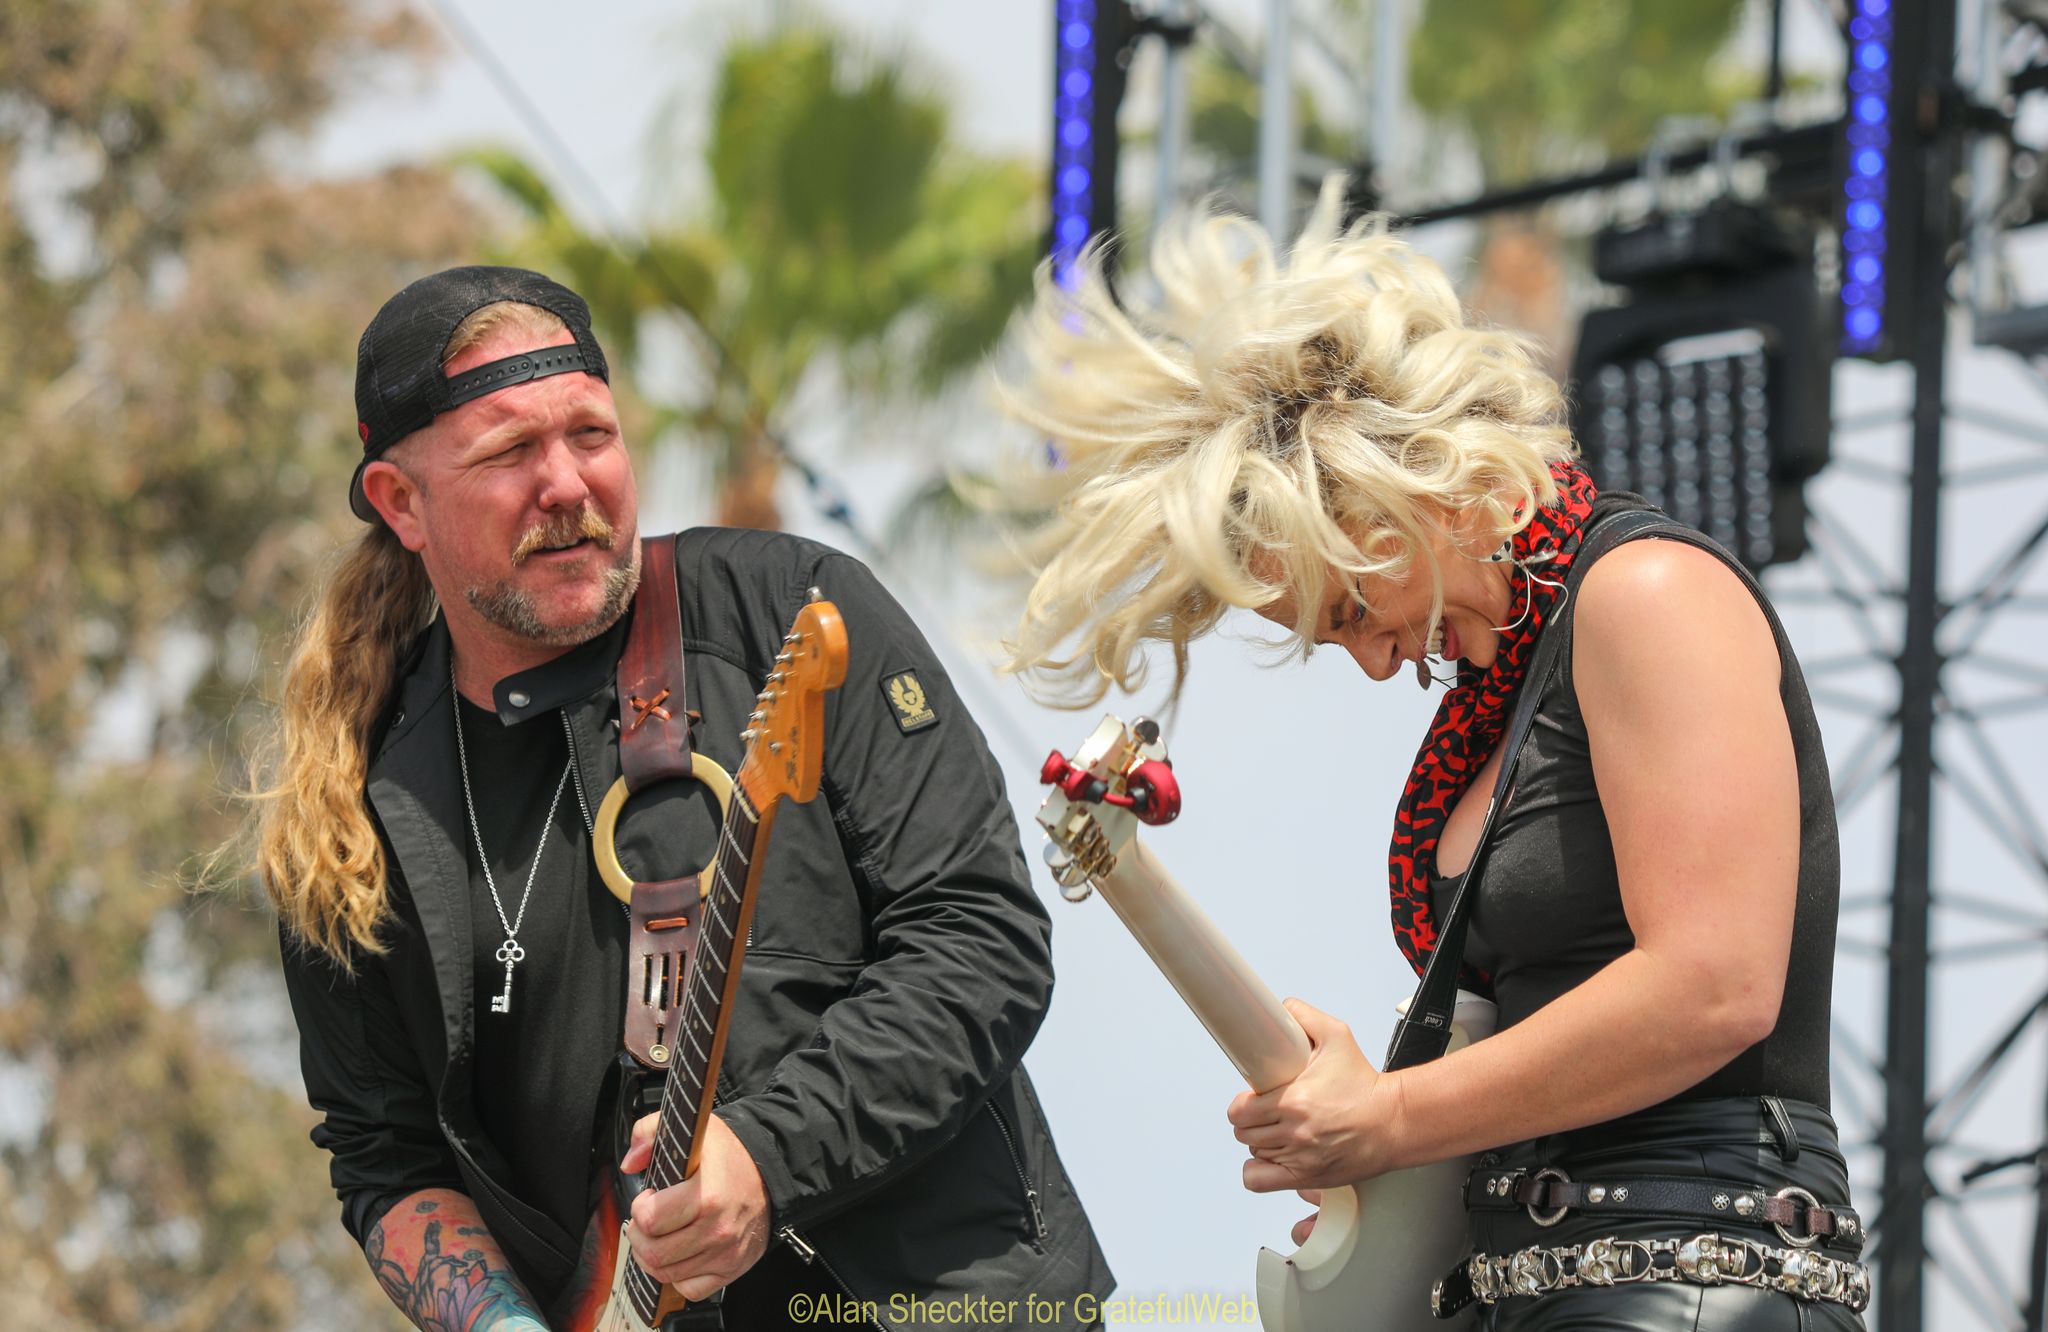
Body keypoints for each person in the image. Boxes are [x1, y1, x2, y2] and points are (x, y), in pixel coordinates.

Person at [993, 187, 1865, 1329]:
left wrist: (1394, 1120)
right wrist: (1385, 1116)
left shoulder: (1645, 593)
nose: (1366, 663)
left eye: (1353, 606)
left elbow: (1712, 986)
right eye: (1326, 638)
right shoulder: (1510, 690)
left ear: (1411, 489)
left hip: (1694, 1278)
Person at [256, 266, 1113, 1331]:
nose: (567, 483)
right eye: (508, 452)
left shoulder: (790, 611)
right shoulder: (353, 804)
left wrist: (763, 1154)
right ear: (400, 503)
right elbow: (384, 1154)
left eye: (591, 435)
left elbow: (979, 939)